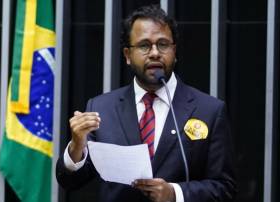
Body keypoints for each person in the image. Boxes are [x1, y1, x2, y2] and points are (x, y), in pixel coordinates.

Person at [56, 4, 237, 202]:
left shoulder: (209, 110)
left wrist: (174, 194)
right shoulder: (102, 109)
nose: (154, 53)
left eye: (163, 44)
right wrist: (76, 146)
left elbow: (224, 188)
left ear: (174, 52)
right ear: (127, 55)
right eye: (144, 45)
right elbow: (70, 182)